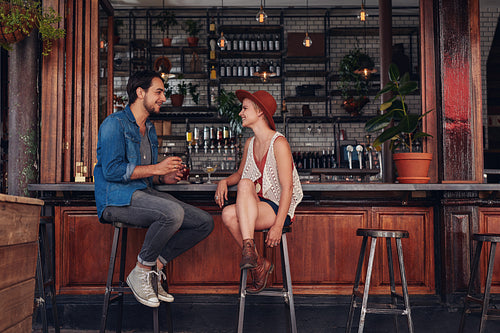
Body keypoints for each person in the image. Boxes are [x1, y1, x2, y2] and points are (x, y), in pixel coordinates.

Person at [94, 70, 214, 308]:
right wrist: (157, 169)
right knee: (172, 213)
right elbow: (111, 171)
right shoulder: (113, 124)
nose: (163, 98)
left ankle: (154, 268)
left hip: (143, 194)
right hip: (115, 200)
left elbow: (147, 174)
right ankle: (140, 271)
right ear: (140, 93)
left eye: (163, 93)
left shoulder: (149, 129)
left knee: (204, 222)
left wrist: (164, 177)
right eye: (158, 92)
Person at [215, 90, 303, 293]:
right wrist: (224, 182)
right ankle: (257, 260)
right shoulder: (250, 143)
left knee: (245, 186)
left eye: (245, 108)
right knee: (229, 211)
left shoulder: (279, 143)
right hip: (258, 205)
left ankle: (254, 260)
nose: (240, 113)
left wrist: (278, 226)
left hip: (277, 208)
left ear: (260, 112)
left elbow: (288, 188)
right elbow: (239, 174)